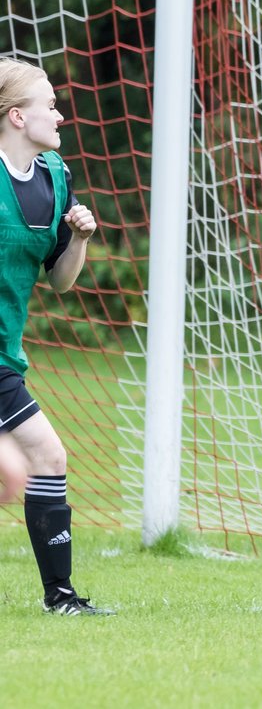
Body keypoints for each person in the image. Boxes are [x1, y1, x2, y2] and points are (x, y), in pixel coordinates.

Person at [0, 56, 112, 615]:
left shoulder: (55, 178)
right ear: (17, 117)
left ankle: (60, 597)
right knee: (45, 456)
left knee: (29, 466)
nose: (60, 114)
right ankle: (61, 598)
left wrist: (80, 240)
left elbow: (62, 282)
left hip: (5, 354)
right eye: (49, 104)